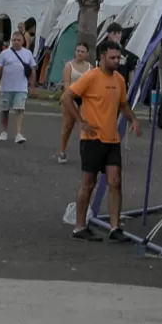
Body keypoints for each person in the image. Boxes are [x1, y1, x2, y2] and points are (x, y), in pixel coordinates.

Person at [62, 39, 142, 242]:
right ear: (103, 57)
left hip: (112, 139)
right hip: (92, 139)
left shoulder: (119, 80)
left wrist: (133, 119)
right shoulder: (91, 77)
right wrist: (81, 122)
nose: (116, 61)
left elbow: (123, 105)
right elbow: (66, 98)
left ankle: (115, 228)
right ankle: (80, 227)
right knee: (88, 183)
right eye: (112, 58)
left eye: (118, 58)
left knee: (115, 182)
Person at [0, 31, 35, 143]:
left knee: (19, 109)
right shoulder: (5, 53)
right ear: (11, 41)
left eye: (18, 40)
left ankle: (18, 133)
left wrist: (32, 85)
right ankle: (4, 131)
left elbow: (33, 69)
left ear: (23, 41)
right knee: (4, 110)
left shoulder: (28, 53)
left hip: (21, 87)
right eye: (14, 40)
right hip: (6, 87)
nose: (16, 42)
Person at [57, 42, 93, 164]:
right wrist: (71, 101)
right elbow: (67, 85)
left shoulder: (90, 67)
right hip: (71, 97)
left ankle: (86, 153)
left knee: (85, 125)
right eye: (78, 51)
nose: (80, 53)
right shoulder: (69, 66)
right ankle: (62, 151)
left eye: (82, 51)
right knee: (68, 125)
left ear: (87, 54)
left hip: (85, 98)